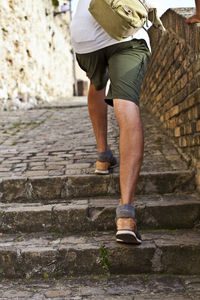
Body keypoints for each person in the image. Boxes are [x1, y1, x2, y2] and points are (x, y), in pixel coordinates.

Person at [70, 0, 153, 244]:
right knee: (126, 104)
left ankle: (102, 156)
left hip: (85, 37)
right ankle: (125, 215)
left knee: (97, 83)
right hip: (125, 28)